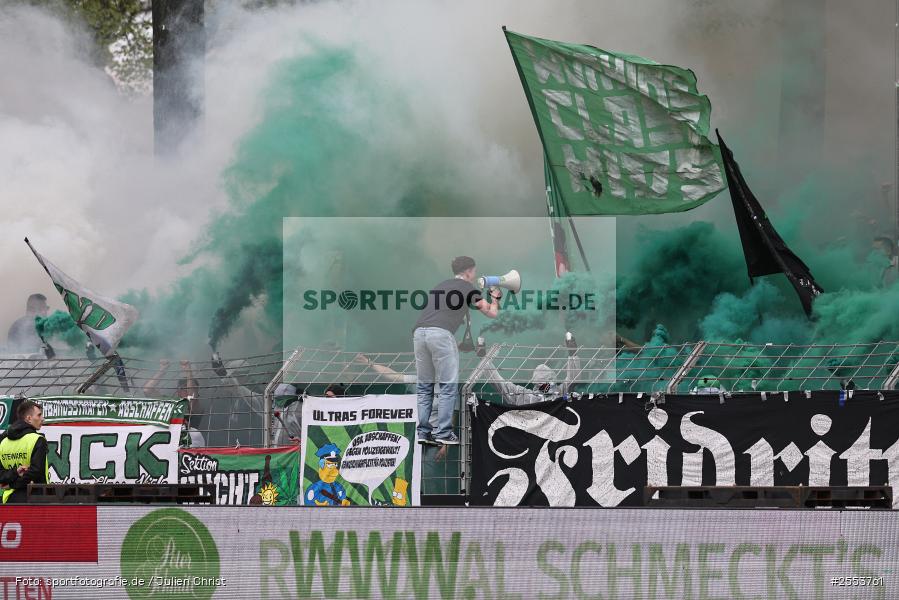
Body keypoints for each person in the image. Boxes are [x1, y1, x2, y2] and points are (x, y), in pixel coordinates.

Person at [413, 256, 499, 446]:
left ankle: (423, 432)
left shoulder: (440, 285)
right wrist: (495, 297)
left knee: (425, 386)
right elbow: (492, 312)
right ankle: (443, 432)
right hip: (441, 334)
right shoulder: (467, 288)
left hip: (420, 334)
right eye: (474, 271)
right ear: (468, 271)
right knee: (447, 385)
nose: (474, 275)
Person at [143, 359, 205, 447]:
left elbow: (192, 397)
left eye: (190, 388)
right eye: (184, 388)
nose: (187, 390)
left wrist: (188, 370)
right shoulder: (171, 403)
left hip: (187, 442)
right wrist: (162, 369)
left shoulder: (197, 406)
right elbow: (147, 390)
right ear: (178, 391)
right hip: (167, 441)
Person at [0, 400, 48, 504]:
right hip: (36, 499)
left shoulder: (3, 441)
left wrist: (13, 475)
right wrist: (14, 483)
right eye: (39, 415)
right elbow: (36, 471)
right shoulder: (38, 439)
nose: (42, 419)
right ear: (29, 418)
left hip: (8, 499)